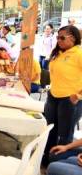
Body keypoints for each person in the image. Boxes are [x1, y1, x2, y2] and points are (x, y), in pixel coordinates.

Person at [42, 25, 82, 167]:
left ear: (73, 38)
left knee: (64, 134)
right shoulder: (59, 52)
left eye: (62, 37)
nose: (58, 40)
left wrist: (78, 95)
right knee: (49, 130)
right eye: (57, 37)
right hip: (53, 96)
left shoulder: (78, 54)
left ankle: (59, 165)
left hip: (70, 100)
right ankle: (46, 159)